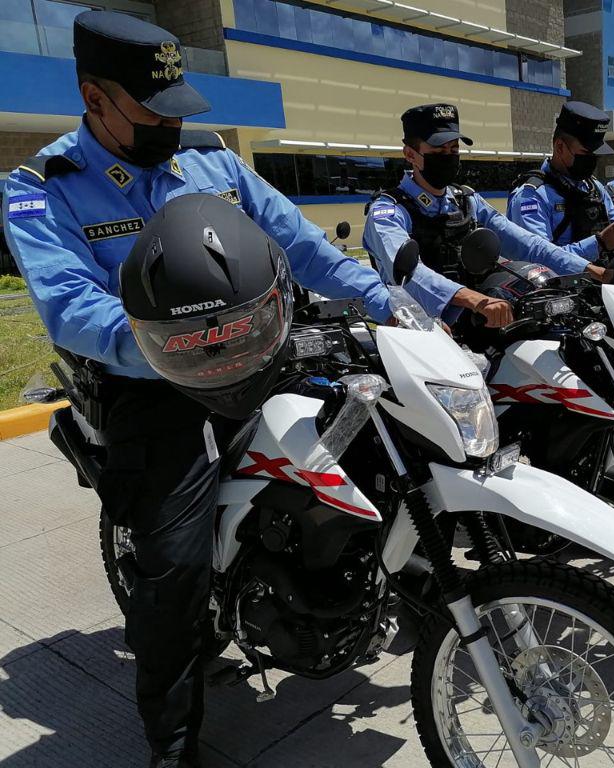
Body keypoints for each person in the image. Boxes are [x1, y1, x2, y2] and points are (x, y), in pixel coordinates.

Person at [2, 12, 396, 768]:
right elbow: (71, 308)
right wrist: (180, 347)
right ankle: (173, 741)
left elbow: (304, 246)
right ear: (95, 97)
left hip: (260, 358)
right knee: (173, 567)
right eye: (154, 110)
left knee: (377, 452)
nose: (171, 126)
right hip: (154, 388)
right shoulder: (42, 187)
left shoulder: (214, 165)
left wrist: (387, 303)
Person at [362, 103, 614, 328]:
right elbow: (408, 271)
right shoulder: (389, 212)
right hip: (417, 328)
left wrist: (588, 269)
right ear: (410, 154)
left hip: (477, 317)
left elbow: (526, 243)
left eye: (453, 149)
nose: (449, 157)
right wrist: (473, 299)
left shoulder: (466, 200)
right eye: (439, 151)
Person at [507, 101, 614, 259]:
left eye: (596, 155)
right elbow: (539, 259)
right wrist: (599, 244)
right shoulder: (532, 196)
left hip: (603, 279)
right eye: (586, 154)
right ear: (560, 147)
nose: (592, 160)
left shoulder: (594, 187)